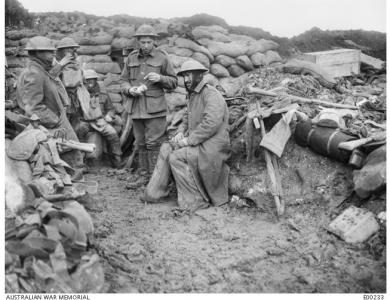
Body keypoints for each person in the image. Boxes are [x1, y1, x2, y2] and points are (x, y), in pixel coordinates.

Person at [143, 60, 231, 213]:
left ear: (199, 75)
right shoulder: (192, 95)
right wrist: (180, 132)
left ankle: (196, 201)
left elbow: (211, 123)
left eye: (189, 75)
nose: (187, 80)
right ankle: (155, 193)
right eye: (184, 76)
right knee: (166, 147)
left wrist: (189, 141)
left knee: (176, 157)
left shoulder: (210, 94)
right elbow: (186, 118)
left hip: (212, 147)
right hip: (199, 142)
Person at [16, 36, 84, 176]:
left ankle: (74, 187)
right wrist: (55, 120)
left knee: (72, 156)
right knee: (72, 159)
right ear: (36, 53)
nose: (53, 54)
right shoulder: (34, 73)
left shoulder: (41, 70)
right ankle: (75, 190)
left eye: (52, 51)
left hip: (57, 119)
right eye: (48, 51)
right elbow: (32, 106)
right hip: (52, 123)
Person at [120, 24, 178, 188]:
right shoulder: (131, 58)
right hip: (137, 108)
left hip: (155, 110)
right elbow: (122, 81)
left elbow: (174, 82)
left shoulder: (162, 57)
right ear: (138, 41)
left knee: (154, 144)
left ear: (154, 42)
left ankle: (156, 178)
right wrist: (130, 89)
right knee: (140, 144)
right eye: (142, 42)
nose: (145, 45)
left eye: (149, 42)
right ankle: (143, 176)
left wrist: (160, 78)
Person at [77, 69, 122, 168]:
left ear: (96, 80)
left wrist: (109, 115)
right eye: (87, 80)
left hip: (100, 121)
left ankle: (116, 158)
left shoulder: (103, 95)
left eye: (92, 80)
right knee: (79, 131)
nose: (90, 82)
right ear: (83, 81)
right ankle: (81, 160)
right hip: (85, 122)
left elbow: (111, 109)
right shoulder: (80, 95)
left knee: (113, 133)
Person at [53, 37, 84, 134]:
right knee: (63, 125)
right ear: (61, 51)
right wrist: (61, 64)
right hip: (61, 99)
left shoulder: (76, 63)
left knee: (75, 124)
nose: (72, 51)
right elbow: (51, 76)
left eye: (73, 48)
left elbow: (81, 80)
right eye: (68, 49)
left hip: (75, 97)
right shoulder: (55, 62)